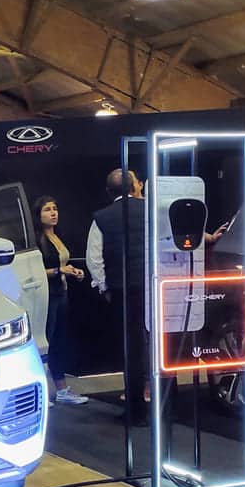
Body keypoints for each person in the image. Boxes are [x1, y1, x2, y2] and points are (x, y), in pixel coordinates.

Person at [86, 169, 150, 424]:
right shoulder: (151, 211)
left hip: (123, 289)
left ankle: (136, 411)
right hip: (154, 287)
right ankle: (168, 405)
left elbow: (94, 258)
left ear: (109, 191)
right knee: (160, 345)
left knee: (131, 349)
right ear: (135, 186)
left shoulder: (101, 218)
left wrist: (104, 287)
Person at [34, 196, 89, 406]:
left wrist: (73, 271)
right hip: (46, 295)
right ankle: (41, 391)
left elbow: (63, 263)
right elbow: (35, 271)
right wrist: (59, 271)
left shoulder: (57, 236)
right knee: (45, 341)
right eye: (47, 210)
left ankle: (62, 389)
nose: (53, 213)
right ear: (38, 215)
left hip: (62, 293)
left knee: (59, 342)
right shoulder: (37, 240)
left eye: (55, 209)